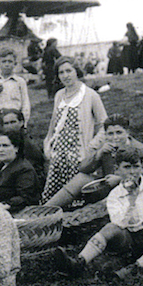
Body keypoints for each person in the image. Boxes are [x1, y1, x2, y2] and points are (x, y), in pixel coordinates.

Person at [60, 148, 143, 280]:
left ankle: (136, 268)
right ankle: (79, 262)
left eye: (136, 166)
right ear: (117, 170)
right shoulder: (115, 194)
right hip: (131, 238)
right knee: (110, 227)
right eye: (127, 167)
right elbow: (119, 223)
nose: (132, 172)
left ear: (141, 167)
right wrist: (131, 201)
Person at [41, 56, 108, 204]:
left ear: (76, 71)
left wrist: (91, 147)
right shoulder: (59, 95)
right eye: (61, 72)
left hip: (79, 156)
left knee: (77, 198)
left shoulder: (90, 95)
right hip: (58, 155)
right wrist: (48, 144)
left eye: (69, 71)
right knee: (53, 198)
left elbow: (105, 126)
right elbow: (53, 124)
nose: (65, 75)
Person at [45, 115, 143, 208]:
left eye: (119, 132)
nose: (115, 137)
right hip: (109, 185)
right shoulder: (106, 146)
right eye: (110, 134)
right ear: (105, 135)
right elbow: (82, 169)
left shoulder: (138, 149)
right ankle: (46, 209)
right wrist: (99, 154)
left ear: (127, 132)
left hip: (130, 188)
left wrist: (120, 179)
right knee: (81, 178)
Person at [0, 49, 31, 136]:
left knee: (15, 139)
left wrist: (24, 122)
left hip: (14, 116)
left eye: (10, 61)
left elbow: (25, 102)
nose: (7, 64)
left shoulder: (20, 81)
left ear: (15, 63)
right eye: (4, 61)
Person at [0, 132, 40, 213]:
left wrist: (5, 205)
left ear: (16, 148)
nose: (1, 150)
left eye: (5, 146)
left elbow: (26, 198)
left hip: (18, 214)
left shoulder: (24, 170)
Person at [0, 109, 46, 180]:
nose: (10, 126)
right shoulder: (7, 140)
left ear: (21, 122)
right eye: (6, 123)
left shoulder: (27, 144)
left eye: (13, 122)